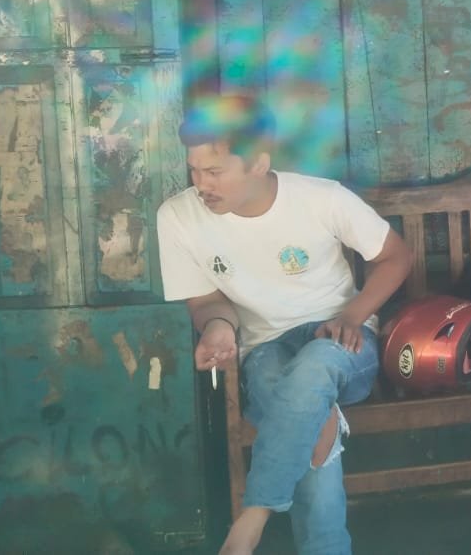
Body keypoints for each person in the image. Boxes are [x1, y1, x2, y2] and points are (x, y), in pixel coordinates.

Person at [156, 95, 416, 555]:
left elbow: (396, 256)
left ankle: (254, 514)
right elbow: (207, 302)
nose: (201, 185)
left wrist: (352, 315)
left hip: (342, 342)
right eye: (194, 170)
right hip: (265, 350)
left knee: (315, 366)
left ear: (259, 163)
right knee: (304, 409)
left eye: (214, 172)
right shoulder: (178, 216)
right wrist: (217, 328)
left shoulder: (321, 198)